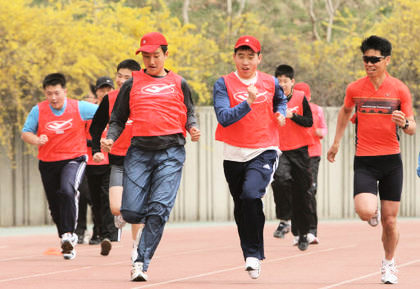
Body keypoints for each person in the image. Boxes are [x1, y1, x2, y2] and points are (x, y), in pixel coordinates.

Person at [101, 32, 200, 282]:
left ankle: (141, 261)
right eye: (146, 56)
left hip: (171, 151)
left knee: (158, 210)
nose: (151, 61)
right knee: (132, 212)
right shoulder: (132, 83)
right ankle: (135, 218)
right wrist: (111, 137)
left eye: (156, 55)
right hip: (140, 151)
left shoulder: (179, 82)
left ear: (166, 55)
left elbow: (190, 111)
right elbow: (118, 118)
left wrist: (192, 127)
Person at [327, 35, 416, 284]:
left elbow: (412, 127)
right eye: (366, 58)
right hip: (364, 161)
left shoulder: (399, 89)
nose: (369, 63)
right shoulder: (355, 89)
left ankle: (389, 263)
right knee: (366, 211)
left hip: (391, 162)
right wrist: (336, 143)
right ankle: (371, 213)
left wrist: (405, 122)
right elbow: (345, 112)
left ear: (386, 60)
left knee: (390, 221)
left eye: (374, 59)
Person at [213, 35, 287, 279]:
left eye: (250, 56)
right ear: (234, 57)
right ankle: (250, 254)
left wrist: (281, 113)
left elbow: (280, 101)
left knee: (251, 193)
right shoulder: (223, 84)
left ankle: (255, 254)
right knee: (241, 205)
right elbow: (224, 117)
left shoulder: (271, 82)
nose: (245, 61)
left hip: (264, 148)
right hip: (234, 153)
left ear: (259, 58)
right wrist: (248, 102)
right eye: (241, 56)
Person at [21, 73, 98, 260]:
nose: (53, 98)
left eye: (56, 93)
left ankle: (70, 236)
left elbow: (104, 111)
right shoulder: (38, 110)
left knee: (68, 190)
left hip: (74, 158)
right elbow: (26, 133)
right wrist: (37, 139)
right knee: (55, 206)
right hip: (48, 162)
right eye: (49, 94)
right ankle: (65, 238)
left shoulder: (79, 107)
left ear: (65, 91)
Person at [90, 59, 143, 262]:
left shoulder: (144, 98)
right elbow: (96, 127)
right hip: (118, 160)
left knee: (138, 208)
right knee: (115, 208)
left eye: (126, 77)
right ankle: (124, 214)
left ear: (137, 79)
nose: (121, 80)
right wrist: (97, 150)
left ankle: (138, 248)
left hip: (141, 159)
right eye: (119, 76)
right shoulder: (110, 99)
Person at [270, 64, 313, 251]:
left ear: (292, 82)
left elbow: (309, 122)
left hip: (300, 151)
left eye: (285, 81)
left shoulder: (300, 98)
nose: (282, 84)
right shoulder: (270, 100)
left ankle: (302, 233)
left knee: (302, 193)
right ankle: (284, 219)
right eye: (278, 81)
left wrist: (292, 115)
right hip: (279, 150)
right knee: (279, 181)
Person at [85, 76, 118, 255]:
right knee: (95, 200)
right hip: (91, 162)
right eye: (102, 89)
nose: (105, 92)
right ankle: (97, 232)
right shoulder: (89, 113)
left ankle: (107, 234)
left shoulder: (117, 110)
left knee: (107, 198)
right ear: (96, 92)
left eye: (108, 89)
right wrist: (94, 146)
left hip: (110, 162)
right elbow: (83, 136)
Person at [294, 82, 326, 243]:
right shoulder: (289, 109)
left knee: (309, 191)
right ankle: (298, 232)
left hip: (312, 154)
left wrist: (311, 128)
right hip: (294, 153)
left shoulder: (317, 110)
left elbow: (323, 131)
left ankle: (311, 231)